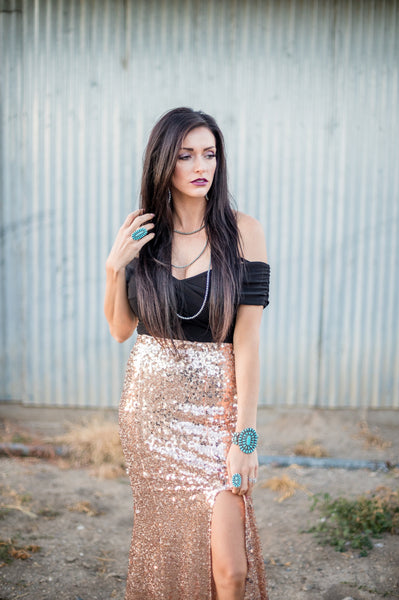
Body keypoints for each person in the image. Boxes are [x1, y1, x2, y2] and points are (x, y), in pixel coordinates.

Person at [104, 107, 270, 600]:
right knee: (171, 555)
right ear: (163, 163)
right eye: (186, 155)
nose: (202, 166)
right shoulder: (142, 234)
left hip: (215, 414)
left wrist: (245, 436)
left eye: (210, 154)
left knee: (231, 571)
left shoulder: (244, 232)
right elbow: (120, 329)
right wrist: (115, 268)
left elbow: (248, 341)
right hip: (151, 416)